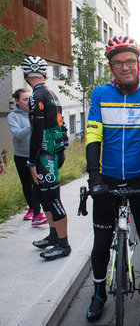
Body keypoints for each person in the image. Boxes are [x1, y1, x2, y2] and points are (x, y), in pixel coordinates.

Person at [84, 35, 140, 321]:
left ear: (138, 64)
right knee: (100, 243)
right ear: (111, 67)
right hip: (106, 179)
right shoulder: (100, 94)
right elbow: (94, 134)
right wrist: (94, 175)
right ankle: (98, 294)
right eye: (118, 63)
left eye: (130, 61)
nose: (125, 67)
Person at [21, 56, 71, 260]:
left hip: (46, 155)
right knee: (44, 198)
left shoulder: (36, 96)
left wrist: (32, 162)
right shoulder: (50, 93)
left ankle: (64, 244)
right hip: (55, 152)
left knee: (53, 199)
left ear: (25, 76)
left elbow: (37, 132)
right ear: (46, 74)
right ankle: (53, 236)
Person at [7, 89, 47, 225]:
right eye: (24, 99)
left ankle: (37, 212)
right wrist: (32, 125)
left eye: (29, 99)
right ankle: (32, 208)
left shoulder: (36, 112)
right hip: (21, 155)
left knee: (36, 182)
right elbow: (17, 134)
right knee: (26, 183)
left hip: (35, 155)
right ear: (17, 101)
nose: (28, 102)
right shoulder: (13, 116)